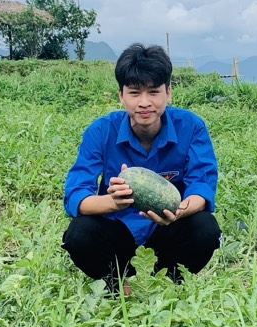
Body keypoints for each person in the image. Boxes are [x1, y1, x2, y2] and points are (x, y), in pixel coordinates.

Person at [63, 43, 221, 292]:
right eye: (135, 93)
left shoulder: (191, 127)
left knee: (205, 228)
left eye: (154, 92)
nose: (144, 103)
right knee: (79, 233)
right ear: (121, 96)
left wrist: (178, 211)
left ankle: (167, 282)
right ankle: (118, 284)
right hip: (119, 237)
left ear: (168, 93)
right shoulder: (101, 131)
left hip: (167, 233)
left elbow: (202, 185)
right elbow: (76, 196)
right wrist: (113, 203)